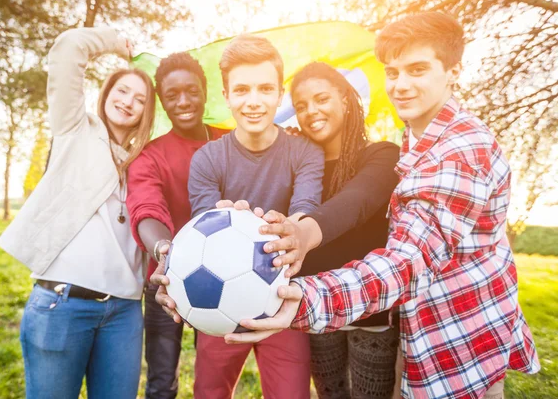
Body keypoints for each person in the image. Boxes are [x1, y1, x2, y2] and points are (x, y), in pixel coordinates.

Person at [221, 13, 540, 399]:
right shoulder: (419, 141)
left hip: (461, 343)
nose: (401, 86)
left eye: (417, 69)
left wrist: (307, 298)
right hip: (430, 334)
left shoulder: (459, 152)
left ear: (453, 71)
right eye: (392, 73)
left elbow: (406, 261)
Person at [155, 34, 324, 398]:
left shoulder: (305, 153)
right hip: (217, 302)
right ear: (227, 96)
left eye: (265, 88)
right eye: (242, 89)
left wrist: (285, 229)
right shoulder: (208, 159)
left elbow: (303, 214)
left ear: (280, 94)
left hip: (283, 300)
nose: (253, 101)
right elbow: (207, 231)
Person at [0, 27, 156, 399]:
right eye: (122, 91)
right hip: (62, 305)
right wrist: (116, 43)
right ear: (106, 94)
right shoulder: (75, 130)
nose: (129, 102)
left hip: (124, 314)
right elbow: (69, 48)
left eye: (140, 99)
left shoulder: (144, 162)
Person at [283, 61, 401, 398]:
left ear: (346, 100)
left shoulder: (381, 155)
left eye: (322, 99)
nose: (311, 111)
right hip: (316, 311)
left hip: (372, 318)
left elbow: (357, 200)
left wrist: (305, 233)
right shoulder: (301, 166)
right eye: (301, 106)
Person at [126, 52, 227, 399]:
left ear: (204, 91)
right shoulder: (149, 155)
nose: (183, 101)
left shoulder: (232, 140)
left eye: (192, 91)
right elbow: (146, 207)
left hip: (226, 281)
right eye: (172, 95)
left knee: (213, 383)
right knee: (161, 381)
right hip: (164, 283)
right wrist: (164, 250)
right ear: (162, 102)